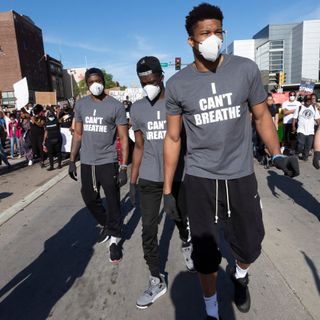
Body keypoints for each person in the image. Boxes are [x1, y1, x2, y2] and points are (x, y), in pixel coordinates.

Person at [163, 4, 300, 320]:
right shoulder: (178, 84)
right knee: (206, 255)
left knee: (250, 245)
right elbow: (172, 138)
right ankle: (211, 309)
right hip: (200, 178)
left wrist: (277, 153)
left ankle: (240, 276)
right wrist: (169, 189)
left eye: (218, 31)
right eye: (205, 33)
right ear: (191, 41)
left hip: (240, 175)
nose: (213, 39)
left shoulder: (245, 70)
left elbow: (262, 115)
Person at [129, 56, 194, 309]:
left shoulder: (177, 104)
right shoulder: (136, 109)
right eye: (143, 82)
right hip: (148, 178)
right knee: (148, 231)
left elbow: (188, 142)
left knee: (179, 217)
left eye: (152, 80)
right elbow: (139, 147)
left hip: (178, 176)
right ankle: (156, 279)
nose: (148, 86)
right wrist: (132, 180)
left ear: (161, 77)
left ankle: (187, 243)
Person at [68, 67, 129, 263]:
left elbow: (123, 137)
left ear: (104, 81)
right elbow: (77, 134)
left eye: (98, 80)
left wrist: (123, 166)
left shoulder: (116, 106)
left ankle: (115, 240)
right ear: (87, 84)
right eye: (91, 81)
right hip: (87, 161)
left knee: (112, 200)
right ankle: (107, 224)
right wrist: (71, 160)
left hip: (108, 161)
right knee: (89, 197)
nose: (95, 84)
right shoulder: (81, 105)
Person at [292, 94, 320, 161]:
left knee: (308, 145)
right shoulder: (299, 107)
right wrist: (293, 126)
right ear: (304, 100)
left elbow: (317, 118)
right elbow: (294, 118)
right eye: (307, 100)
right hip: (301, 129)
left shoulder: (313, 108)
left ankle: (305, 157)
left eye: (310, 100)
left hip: (310, 130)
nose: (308, 101)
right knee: (301, 144)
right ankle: (296, 152)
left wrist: (319, 126)